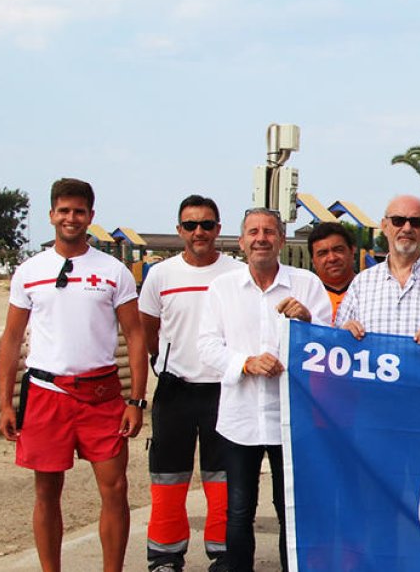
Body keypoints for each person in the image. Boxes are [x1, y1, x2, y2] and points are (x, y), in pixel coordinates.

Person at [0, 177, 148, 572]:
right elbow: (12, 340)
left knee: (115, 489)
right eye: (63, 210)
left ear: (90, 217)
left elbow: (135, 335)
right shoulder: (29, 271)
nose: (71, 217)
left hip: (101, 395)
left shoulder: (114, 271)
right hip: (46, 393)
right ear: (51, 215)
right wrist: (4, 405)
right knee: (47, 491)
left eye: (79, 211)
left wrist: (135, 400)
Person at [197, 208, 331, 572]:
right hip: (240, 418)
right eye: (253, 232)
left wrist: (307, 321)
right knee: (239, 509)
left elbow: (328, 346)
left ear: (282, 241)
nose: (261, 238)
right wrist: (245, 362)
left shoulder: (306, 285)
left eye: (269, 231)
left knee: (290, 506)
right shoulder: (222, 288)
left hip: (291, 417)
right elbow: (206, 346)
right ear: (241, 242)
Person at [138, 195, 242, 572]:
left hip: (224, 389)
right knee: (168, 477)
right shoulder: (161, 275)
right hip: (175, 390)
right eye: (191, 225)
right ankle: (165, 557)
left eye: (207, 224)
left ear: (218, 228)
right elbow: (148, 332)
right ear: (179, 229)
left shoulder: (235, 273)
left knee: (222, 479)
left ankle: (223, 555)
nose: (200, 232)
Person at [337, 195, 420, 342]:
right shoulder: (361, 284)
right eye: (398, 221)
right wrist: (344, 333)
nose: (407, 228)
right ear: (384, 226)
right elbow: (334, 342)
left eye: (416, 222)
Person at [307, 221, 357, 322]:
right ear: (313, 261)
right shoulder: (307, 295)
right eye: (322, 253)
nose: (332, 258)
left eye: (338, 250)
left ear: (352, 251)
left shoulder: (370, 290)